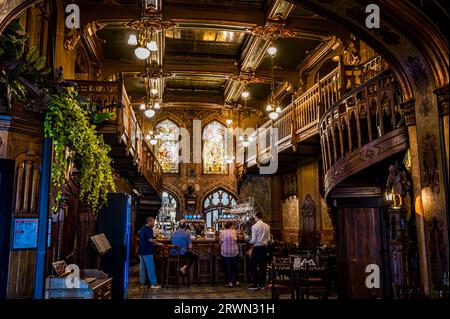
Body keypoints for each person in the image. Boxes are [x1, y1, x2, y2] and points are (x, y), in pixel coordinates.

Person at [247, 211, 271, 290]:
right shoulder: (267, 226)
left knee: (254, 266)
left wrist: (247, 240)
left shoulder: (254, 226)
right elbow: (268, 239)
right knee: (263, 267)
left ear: (256, 216)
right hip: (264, 249)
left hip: (257, 248)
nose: (254, 217)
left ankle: (255, 284)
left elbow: (253, 240)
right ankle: (262, 284)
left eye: (254, 216)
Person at [138, 216, 163, 289]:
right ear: (149, 222)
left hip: (141, 251)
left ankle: (142, 284)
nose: (154, 223)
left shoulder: (142, 228)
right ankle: (153, 284)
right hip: (147, 251)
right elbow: (150, 240)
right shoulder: (149, 229)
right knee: (150, 268)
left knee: (142, 269)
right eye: (153, 222)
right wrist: (158, 244)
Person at [220, 222, 239, 288]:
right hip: (234, 251)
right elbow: (237, 239)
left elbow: (220, 242)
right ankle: (237, 281)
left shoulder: (222, 232)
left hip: (225, 252)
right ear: (231, 226)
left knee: (228, 267)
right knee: (235, 266)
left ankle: (230, 282)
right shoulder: (235, 231)